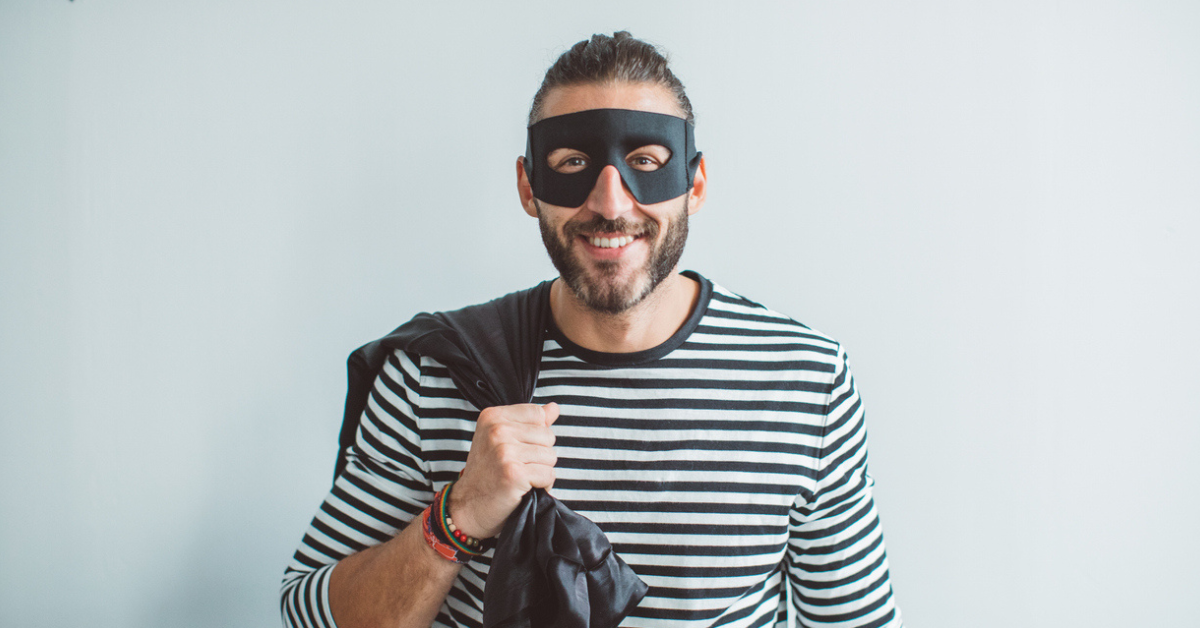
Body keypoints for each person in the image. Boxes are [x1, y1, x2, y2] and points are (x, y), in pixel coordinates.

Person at [281, 31, 903, 628]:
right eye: (573, 162)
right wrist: (460, 513)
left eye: (645, 161)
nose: (610, 202)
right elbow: (307, 614)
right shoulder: (434, 373)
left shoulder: (805, 382)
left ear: (695, 181)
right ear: (530, 186)